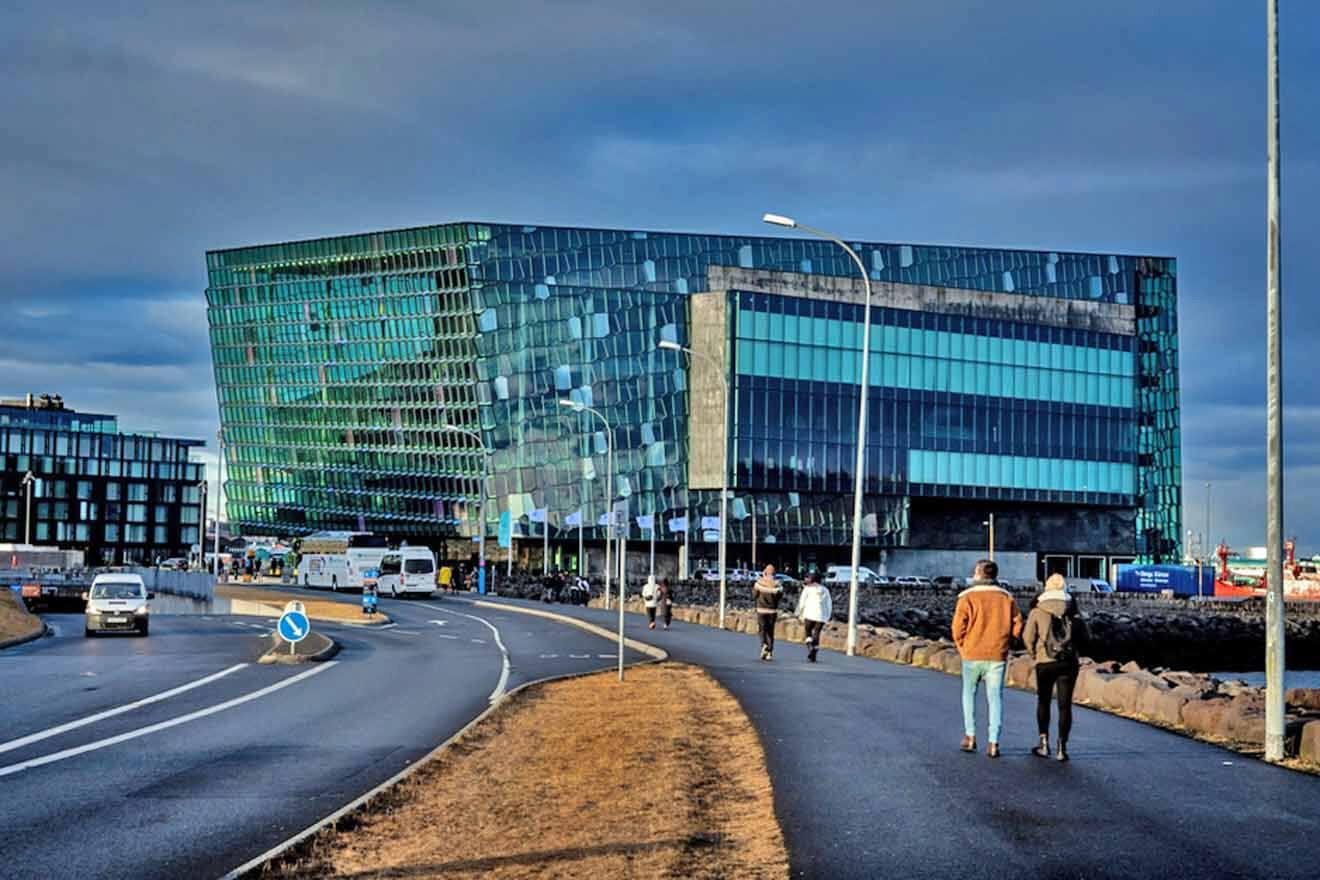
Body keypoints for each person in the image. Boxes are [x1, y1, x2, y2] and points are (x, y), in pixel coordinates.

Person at [952, 559, 1023, 758]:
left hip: (972, 653)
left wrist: (962, 646)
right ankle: (993, 742)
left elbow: (957, 627)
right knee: (995, 698)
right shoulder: (1006, 597)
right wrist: (1009, 641)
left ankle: (970, 736)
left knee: (969, 694)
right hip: (997, 653)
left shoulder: (966, 597)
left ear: (978, 573)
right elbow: (1018, 623)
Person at [1022, 573, 1089, 761]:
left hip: (1045, 661)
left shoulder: (1037, 610)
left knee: (1043, 701)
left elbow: (1027, 638)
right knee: (1064, 705)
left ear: (1047, 587)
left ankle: (1044, 744)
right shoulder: (1072, 608)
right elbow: (1085, 636)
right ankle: (1062, 747)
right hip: (1068, 662)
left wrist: (1034, 655)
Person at [794, 572, 833, 662]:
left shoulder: (807, 589)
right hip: (821, 616)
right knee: (817, 633)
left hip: (809, 614)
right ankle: (814, 652)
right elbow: (829, 604)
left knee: (808, 632)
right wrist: (828, 616)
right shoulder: (825, 590)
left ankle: (810, 646)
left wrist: (798, 613)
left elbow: (802, 602)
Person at [753, 565, 783, 661]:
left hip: (761, 610)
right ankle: (770, 651)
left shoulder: (758, 583)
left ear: (765, 572)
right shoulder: (778, 585)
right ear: (774, 573)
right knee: (770, 631)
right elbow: (779, 597)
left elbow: (754, 595)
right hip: (772, 611)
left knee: (762, 629)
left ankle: (764, 645)